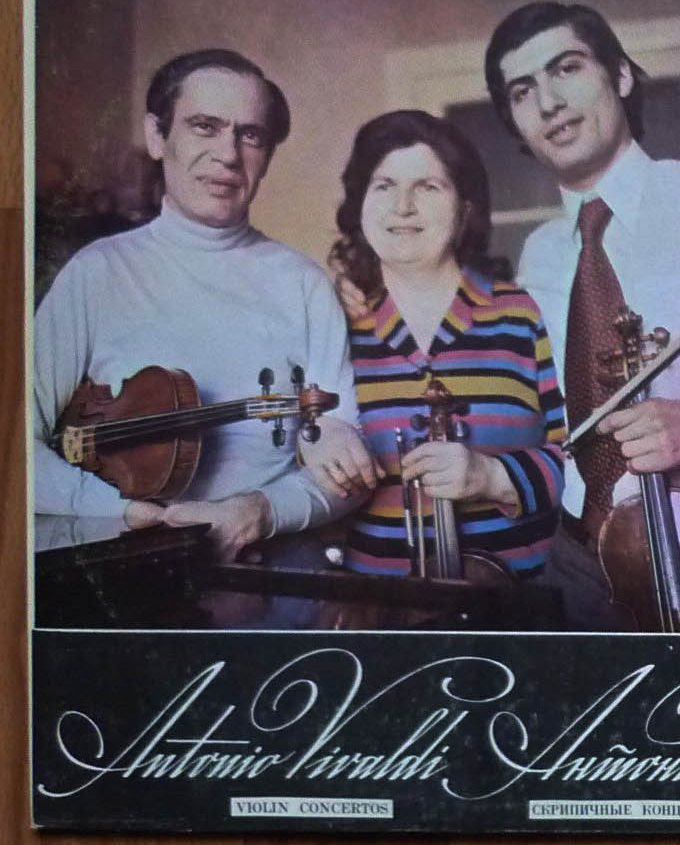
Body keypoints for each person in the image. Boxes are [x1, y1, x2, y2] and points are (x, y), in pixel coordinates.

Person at [33, 49, 377, 567]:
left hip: (268, 572)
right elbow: (15, 445)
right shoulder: (96, 272)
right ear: (157, 136)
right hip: (124, 565)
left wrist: (259, 511)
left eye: (250, 135)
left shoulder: (303, 284)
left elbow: (346, 475)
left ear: (267, 156)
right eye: (204, 127)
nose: (228, 155)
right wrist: (122, 513)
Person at [484, 1, 680, 630]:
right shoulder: (539, 255)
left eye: (566, 68)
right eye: (523, 91)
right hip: (578, 557)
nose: (549, 103)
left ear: (621, 75)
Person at [324, 110, 566, 581]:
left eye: (428, 187)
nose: (403, 207)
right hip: (378, 606)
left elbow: (584, 458)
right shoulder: (331, 320)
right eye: (384, 186)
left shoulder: (524, 314)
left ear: (465, 210)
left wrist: (493, 477)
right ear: (359, 206)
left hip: (517, 601)